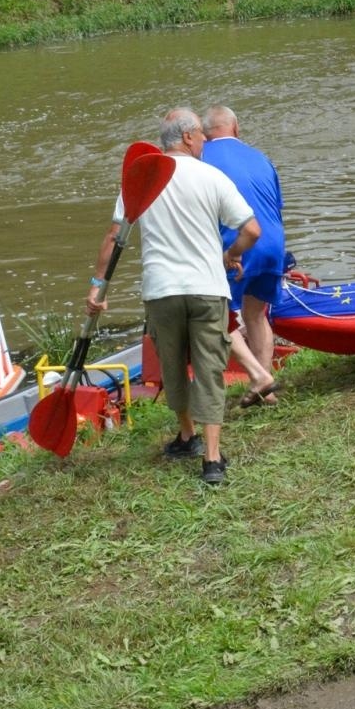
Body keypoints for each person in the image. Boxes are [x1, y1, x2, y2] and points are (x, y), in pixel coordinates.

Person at [86, 109, 260, 485]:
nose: (203, 143)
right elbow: (251, 230)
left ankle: (187, 436)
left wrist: (97, 287)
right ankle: (212, 460)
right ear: (186, 138)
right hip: (207, 287)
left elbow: (115, 237)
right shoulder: (213, 176)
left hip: (162, 290)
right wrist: (231, 255)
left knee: (172, 366)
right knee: (210, 368)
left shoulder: (142, 180)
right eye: (200, 136)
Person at [201, 104, 285, 408]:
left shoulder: (201, 158)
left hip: (236, 245)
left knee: (216, 314)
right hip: (273, 244)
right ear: (236, 129)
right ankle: (268, 390)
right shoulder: (261, 158)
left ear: (204, 134)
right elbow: (275, 206)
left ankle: (258, 376)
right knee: (256, 314)